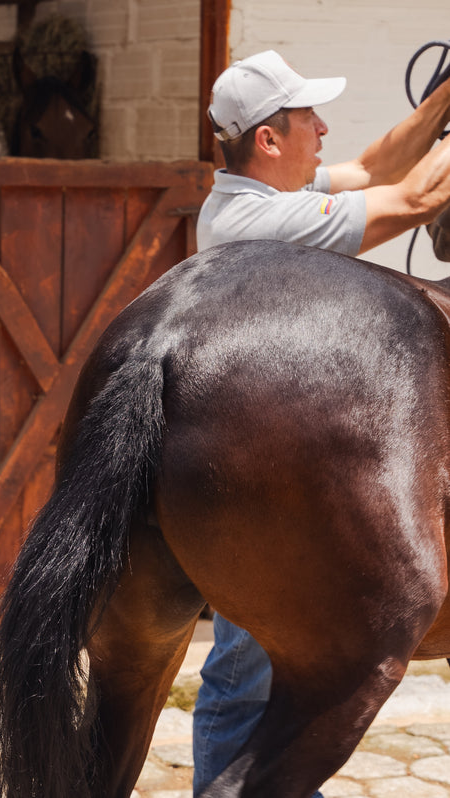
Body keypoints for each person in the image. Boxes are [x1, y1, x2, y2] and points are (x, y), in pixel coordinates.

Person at [193, 48, 450, 797]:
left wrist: (438, 106)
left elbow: (373, 166)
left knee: (239, 670)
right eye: (308, 120)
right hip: (269, 468)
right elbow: (408, 199)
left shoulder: (260, 187)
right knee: (244, 677)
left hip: (253, 455)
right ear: (268, 140)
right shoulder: (263, 221)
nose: (325, 129)